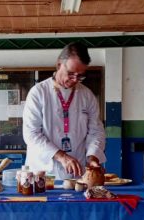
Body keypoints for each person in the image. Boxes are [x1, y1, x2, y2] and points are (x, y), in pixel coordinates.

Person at [22, 42, 106, 180]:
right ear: (59, 64)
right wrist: (62, 156)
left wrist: (93, 157)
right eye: (71, 73)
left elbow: (96, 131)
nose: (74, 80)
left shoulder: (87, 95)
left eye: (80, 76)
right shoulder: (38, 93)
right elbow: (31, 134)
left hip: (77, 173)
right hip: (43, 173)